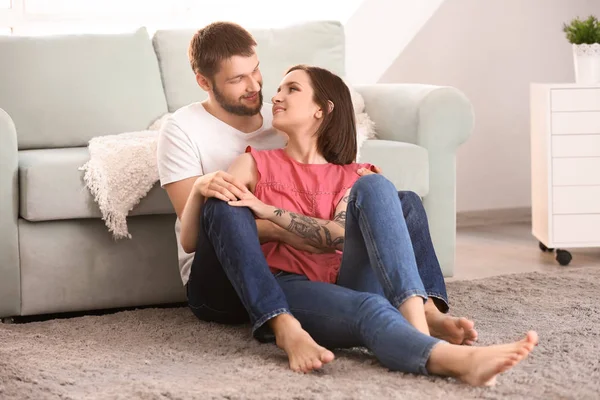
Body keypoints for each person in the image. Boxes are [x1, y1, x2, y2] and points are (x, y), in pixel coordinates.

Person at [157, 21, 477, 374]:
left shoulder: (276, 115)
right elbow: (198, 241)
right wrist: (276, 226)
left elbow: (338, 209)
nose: (258, 89)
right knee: (222, 202)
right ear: (205, 83)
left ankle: (426, 313)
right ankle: (283, 326)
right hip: (223, 279)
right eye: (237, 80)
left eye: (257, 71)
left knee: (403, 200)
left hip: (307, 268)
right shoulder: (184, 130)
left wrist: (366, 198)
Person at [224, 63, 538, 385]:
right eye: (278, 89)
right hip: (292, 285)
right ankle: (449, 356)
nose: (276, 96)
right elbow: (228, 231)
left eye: (292, 89)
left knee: (380, 187)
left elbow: (340, 236)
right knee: (371, 307)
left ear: (322, 109)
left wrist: (267, 212)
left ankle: (419, 325)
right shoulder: (252, 163)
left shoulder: (357, 174)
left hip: (348, 276)